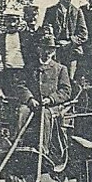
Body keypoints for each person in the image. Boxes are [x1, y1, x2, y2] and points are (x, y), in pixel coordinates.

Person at [15, 28, 72, 159]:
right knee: (22, 111)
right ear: (38, 49)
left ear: (54, 51)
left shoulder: (60, 69)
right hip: (33, 104)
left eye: (50, 49)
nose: (47, 52)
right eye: (44, 48)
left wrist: (51, 99)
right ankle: (19, 142)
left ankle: (43, 148)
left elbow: (66, 90)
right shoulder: (30, 67)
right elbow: (21, 85)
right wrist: (30, 99)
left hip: (52, 106)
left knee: (45, 114)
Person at [41, 0, 88, 76]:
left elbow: (83, 34)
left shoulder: (77, 12)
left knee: (70, 78)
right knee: (54, 75)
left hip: (72, 51)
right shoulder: (51, 11)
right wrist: (52, 40)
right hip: (56, 50)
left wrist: (70, 42)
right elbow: (46, 28)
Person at [0, 10, 29, 101]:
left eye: (14, 21)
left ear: (19, 22)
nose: (12, 24)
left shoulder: (26, 37)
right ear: (4, 22)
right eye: (9, 21)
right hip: (6, 76)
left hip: (23, 75)